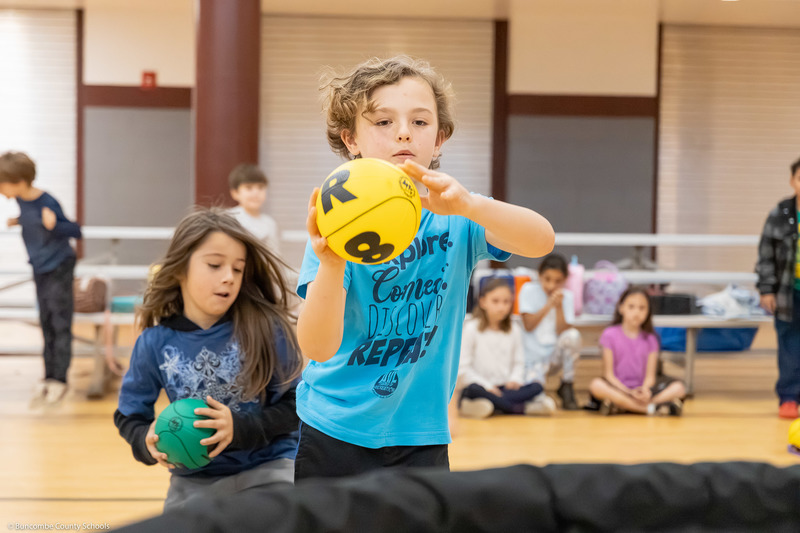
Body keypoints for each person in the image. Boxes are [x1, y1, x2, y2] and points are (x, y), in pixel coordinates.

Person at [294, 55, 554, 480]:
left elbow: (541, 239)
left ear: (439, 140)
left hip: (421, 433)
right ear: (351, 139)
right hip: (333, 429)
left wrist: (470, 204)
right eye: (382, 122)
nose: (402, 132)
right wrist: (331, 263)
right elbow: (318, 347)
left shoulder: (457, 214)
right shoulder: (336, 224)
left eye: (419, 122)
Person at [114, 208, 303, 511]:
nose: (228, 277)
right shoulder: (154, 343)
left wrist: (242, 428)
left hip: (269, 471)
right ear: (179, 269)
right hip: (193, 482)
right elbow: (129, 415)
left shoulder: (267, 328)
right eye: (215, 265)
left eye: (238, 269)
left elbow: (298, 404)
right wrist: (145, 440)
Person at [0, 151, 82, 407]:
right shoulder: (23, 203)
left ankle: (60, 379)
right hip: (40, 268)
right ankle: (49, 377)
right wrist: (19, 221)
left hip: (59, 266)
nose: (1, 189)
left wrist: (54, 225)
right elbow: (32, 219)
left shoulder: (47, 201)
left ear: (19, 181)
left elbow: (75, 230)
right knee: (45, 322)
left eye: (3, 183)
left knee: (60, 322)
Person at [587, 287, 685, 416]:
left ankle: (624, 406)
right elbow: (608, 374)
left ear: (648, 311)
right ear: (621, 308)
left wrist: (645, 391)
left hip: (643, 391)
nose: (636, 312)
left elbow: (650, 376)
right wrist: (628, 392)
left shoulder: (651, 338)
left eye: (642, 308)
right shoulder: (609, 335)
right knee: (596, 385)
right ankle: (650, 409)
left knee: (679, 388)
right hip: (619, 388)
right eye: (631, 307)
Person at [458, 278, 547, 418]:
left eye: (506, 302)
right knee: (472, 389)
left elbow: (519, 362)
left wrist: (515, 379)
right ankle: (520, 408)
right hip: (483, 387)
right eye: (495, 301)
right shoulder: (471, 329)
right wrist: (487, 386)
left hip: (505, 388)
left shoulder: (514, 330)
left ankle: (496, 406)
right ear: (482, 302)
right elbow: (463, 369)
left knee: (537, 386)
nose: (501, 307)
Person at [757, 156, 800, 419]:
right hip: (788, 292)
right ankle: (789, 398)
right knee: (789, 344)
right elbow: (765, 254)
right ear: (792, 181)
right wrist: (766, 290)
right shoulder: (780, 213)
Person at [518, 254, 582, 410]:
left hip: (554, 355)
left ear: (565, 280)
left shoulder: (567, 296)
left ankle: (567, 384)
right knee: (535, 396)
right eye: (547, 279)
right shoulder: (528, 290)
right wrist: (548, 305)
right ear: (539, 276)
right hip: (532, 358)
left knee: (573, 336)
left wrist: (558, 307)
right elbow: (528, 325)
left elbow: (562, 331)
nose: (551, 285)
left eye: (557, 281)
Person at [228, 163, 280, 254]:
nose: (256, 193)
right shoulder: (230, 218)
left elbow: (274, 254)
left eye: (260, 187)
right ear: (235, 193)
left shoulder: (270, 223)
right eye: (249, 188)